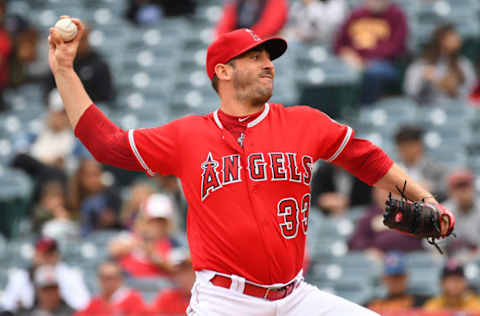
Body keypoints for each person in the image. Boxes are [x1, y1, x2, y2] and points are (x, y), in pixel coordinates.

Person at [48, 18, 453, 315]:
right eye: (255, 57)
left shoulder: (304, 123)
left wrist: (428, 199)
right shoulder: (187, 136)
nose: (268, 64)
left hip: (295, 297)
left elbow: (370, 161)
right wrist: (65, 71)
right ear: (223, 72)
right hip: (225, 301)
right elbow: (105, 144)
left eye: (269, 57)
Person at [334, 0, 407, 104]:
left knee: (372, 72)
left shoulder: (396, 15)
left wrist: (365, 60)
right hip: (353, 61)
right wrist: (347, 54)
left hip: (383, 63)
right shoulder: (356, 15)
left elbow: (396, 47)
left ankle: (365, 111)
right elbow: (338, 44)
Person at [0, 237, 90, 313]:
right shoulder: (21, 276)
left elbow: (83, 306)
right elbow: (7, 306)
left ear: (57, 255)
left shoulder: (70, 275)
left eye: (50, 254)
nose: (46, 258)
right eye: (43, 254)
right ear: (35, 255)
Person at [109, 193, 181, 277]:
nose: (156, 225)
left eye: (161, 222)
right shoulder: (129, 236)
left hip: (159, 287)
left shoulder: (173, 243)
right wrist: (139, 243)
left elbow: (176, 269)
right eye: (152, 221)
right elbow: (113, 251)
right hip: (131, 285)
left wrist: (153, 256)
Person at [405, 24, 477, 106]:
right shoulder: (421, 65)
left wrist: (453, 90)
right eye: (452, 36)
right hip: (427, 110)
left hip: (458, 110)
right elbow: (410, 92)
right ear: (441, 40)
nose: (458, 39)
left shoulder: (463, 64)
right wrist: (425, 81)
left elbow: (472, 93)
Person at [45, 24, 114, 105]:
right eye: (73, 40)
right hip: (63, 111)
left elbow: (105, 96)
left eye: (82, 39)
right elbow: (48, 93)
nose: (78, 43)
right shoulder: (59, 63)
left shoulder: (99, 65)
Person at [348, 187, 424, 258]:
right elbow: (356, 242)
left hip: (410, 258)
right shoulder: (368, 217)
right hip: (379, 262)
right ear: (375, 194)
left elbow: (422, 239)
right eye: (383, 191)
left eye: (392, 191)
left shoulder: (411, 214)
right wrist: (369, 249)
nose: (388, 194)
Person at [68, 159, 122, 235]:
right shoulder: (72, 197)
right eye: (89, 176)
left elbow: (118, 220)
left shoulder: (111, 195)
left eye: (96, 175)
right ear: (80, 177)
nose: (93, 180)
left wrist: (110, 219)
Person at [74, 261, 149, 316]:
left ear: (120, 279)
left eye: (109, 278)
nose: (105, 282)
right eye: (102, 277)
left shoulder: (133, 299)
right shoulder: (96, 302)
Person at [394, 126, 448, 201]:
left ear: (420, 145)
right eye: (403, 146)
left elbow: (446, 190)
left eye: (411, 145)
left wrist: (431, 188)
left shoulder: (436, 169)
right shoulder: (395, 169)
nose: (407, 150)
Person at [443, 169, 480, 255]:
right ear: (451, 191)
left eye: (466, 186)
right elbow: (434, 248)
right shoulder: (444, 212)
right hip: (451, 263)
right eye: (458, 187)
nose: (463, 191)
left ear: (473, 188)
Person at [215, 0, 288, 39]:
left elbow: (271, 26)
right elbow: (224, 24)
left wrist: (245, 40)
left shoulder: (276, 2)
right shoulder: (236, 2)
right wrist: (225, 40)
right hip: (239, 39)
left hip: (262, 41)